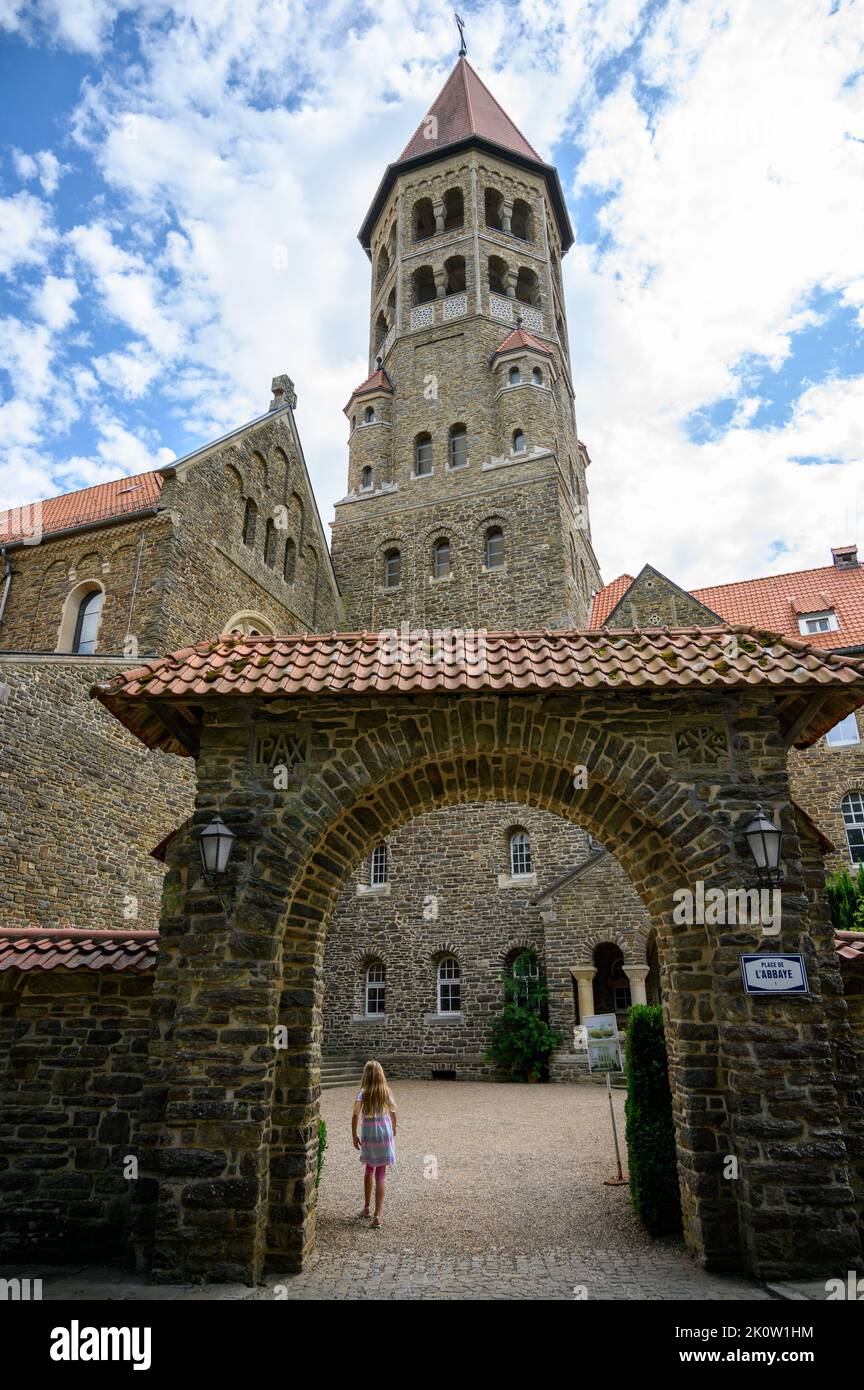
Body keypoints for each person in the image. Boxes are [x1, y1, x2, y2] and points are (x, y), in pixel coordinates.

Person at [352, 1059, 397, 1228]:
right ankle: (377, 1216)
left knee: (369, 1169)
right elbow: (393, 1112)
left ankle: (366, 1207)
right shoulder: (386, 1091)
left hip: (369, 1137)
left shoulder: (363, 1093)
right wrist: (393, 1128)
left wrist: (353, 1135)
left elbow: (355, 1114)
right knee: (381, 1175)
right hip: (384, 1136)